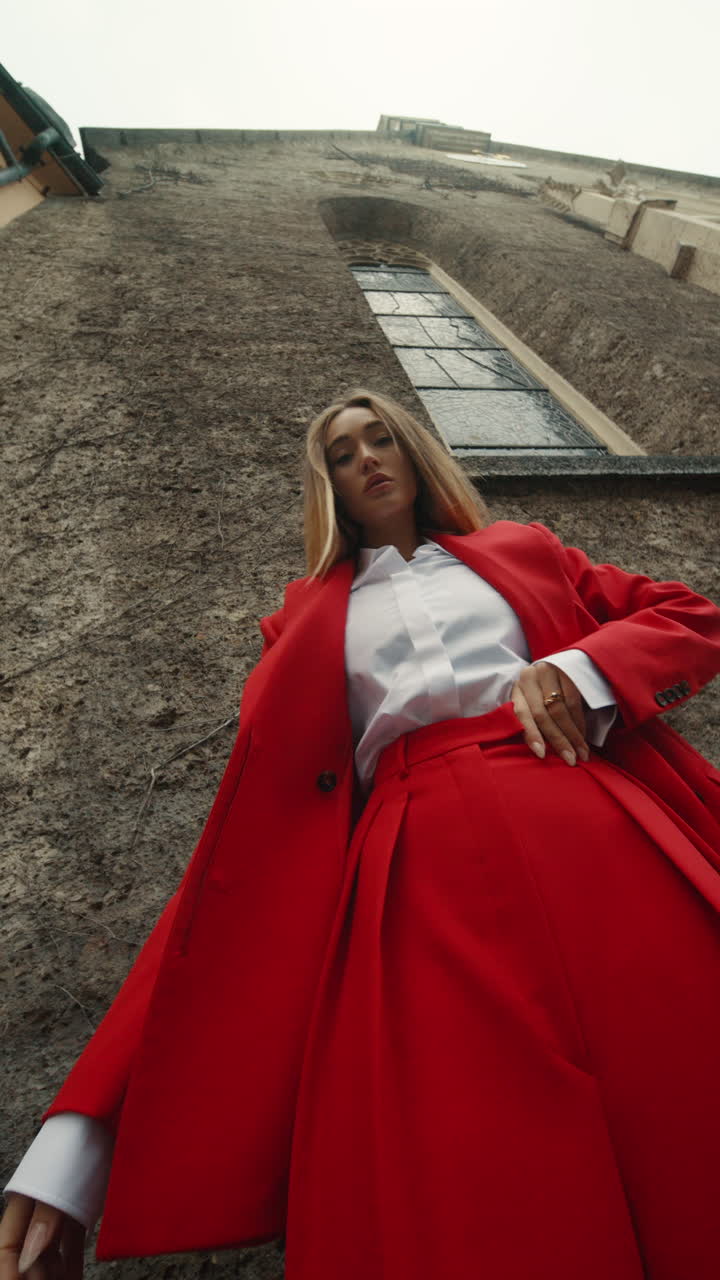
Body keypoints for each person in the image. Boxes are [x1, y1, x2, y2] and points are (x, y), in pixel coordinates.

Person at [3, 388, 720, 1280]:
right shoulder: (302, 622)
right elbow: (236, 871)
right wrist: (76, 1143)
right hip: (413, 870)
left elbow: (692, 615)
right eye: (342, 453)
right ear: (327, 485)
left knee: (686, 1075)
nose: (367, 459)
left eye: (382, 439)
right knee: (472, 1154)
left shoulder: (524, 552)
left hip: (589, 819)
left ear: (416, 453)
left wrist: (582, 668)